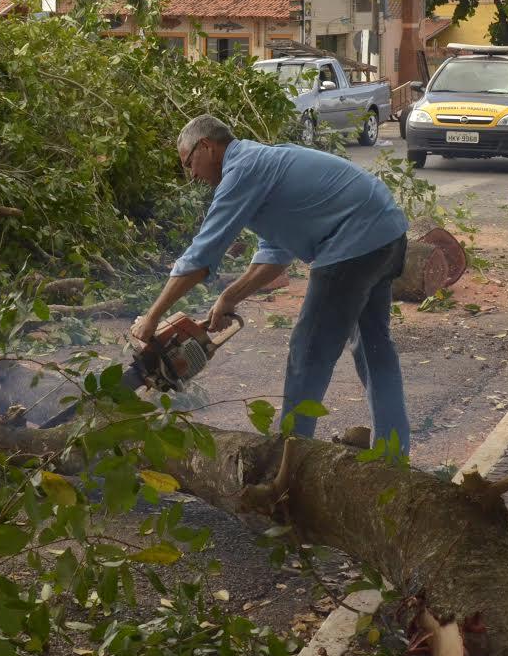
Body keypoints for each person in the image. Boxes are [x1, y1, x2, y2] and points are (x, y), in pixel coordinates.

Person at [131, 115, 412, 456]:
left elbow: (201, 255)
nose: (192, 175)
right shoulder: (261, 163)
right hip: (387, 233)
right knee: (373, 349)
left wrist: (151, 316)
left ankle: (290, 460)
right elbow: (275, 255)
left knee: (308, 352)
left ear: (207, 147)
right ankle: (393, 455)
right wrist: (228, 298)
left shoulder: (242, 171)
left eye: (189, 163)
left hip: (352, 243)